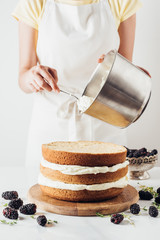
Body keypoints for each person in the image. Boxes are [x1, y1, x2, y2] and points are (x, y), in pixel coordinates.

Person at [12, 0, 143, 168]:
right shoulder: (34, 3)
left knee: (107, 189)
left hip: (103, 126)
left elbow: (126, 70)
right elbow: (23, 75)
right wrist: (32, 76)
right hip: (51, 125)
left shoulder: (122, 2)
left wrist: (123, 71)